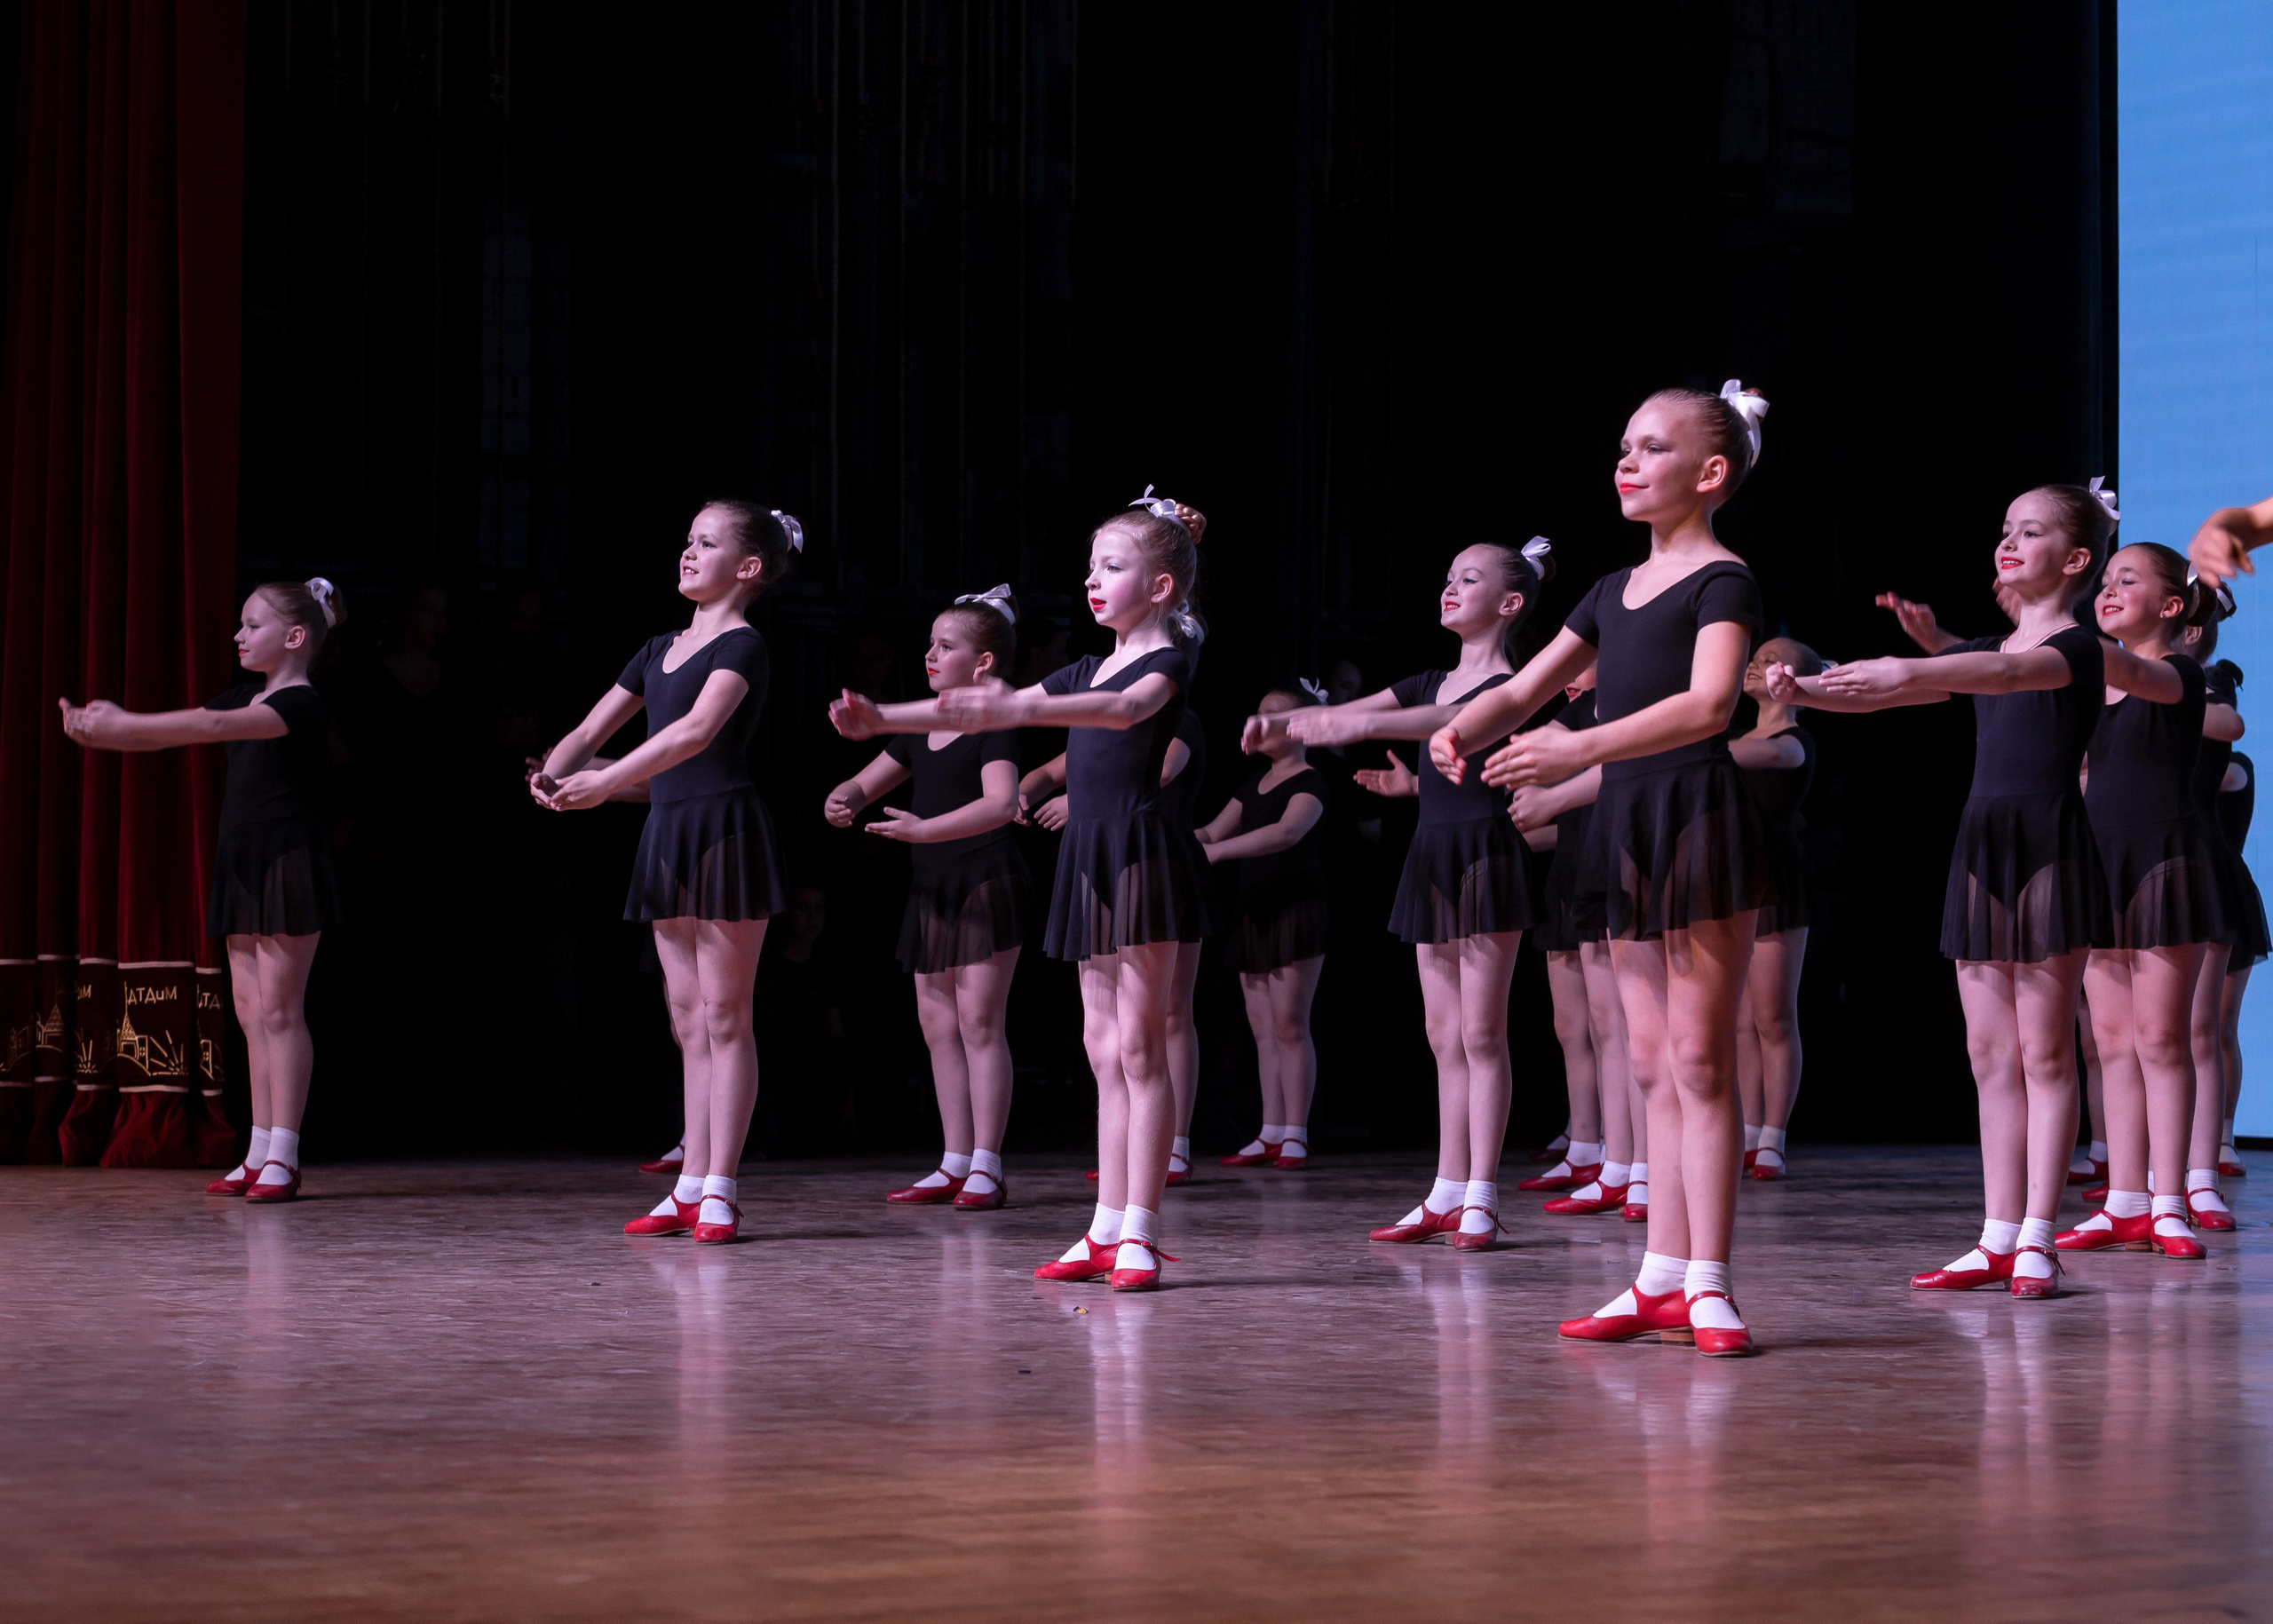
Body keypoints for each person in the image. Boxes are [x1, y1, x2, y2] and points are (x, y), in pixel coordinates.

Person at [1440, 382, 1773, 1356]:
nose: (1626, 462)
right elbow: (1532, 682)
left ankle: (1708, 1281)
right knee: (1646, 1062)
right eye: (1623, 445)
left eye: (1652, 447)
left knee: (1701, 1059)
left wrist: (1577, 751)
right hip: (1627, 824)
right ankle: (1656, 1275)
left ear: (1710, 474)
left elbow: (1711, 704)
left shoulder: (1725, 582)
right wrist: (1463, 728)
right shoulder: (1605, 590)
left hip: (1694, 816)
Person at [831, 488, 1212, 1291]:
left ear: (1162, 587)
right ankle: (1105, 1224)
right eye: (1090, 567)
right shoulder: (1082, 663)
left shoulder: (1164, 659)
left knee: (1141, 1048)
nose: (1093, 579)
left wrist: (1016, 702)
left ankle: (1140, 1228)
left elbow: (1119, 709)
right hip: (1089, 856)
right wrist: (883, 715)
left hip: (1140, 852)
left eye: (1113, 566)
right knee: (1101, 1049)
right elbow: (976, 708)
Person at [1768, 479, 2122, 1302]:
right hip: (1984, 843)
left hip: (2047, 845)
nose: (2006, 542)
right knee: (1988, 1051)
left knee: (2043, 1050)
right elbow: (1920, 689)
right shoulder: (1997, 644)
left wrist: (1903, 662)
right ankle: (1997, 1232)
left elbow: (1993, 677)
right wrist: (1812, 692)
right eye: (2004, 528)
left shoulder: (2075, 647)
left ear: (2074, 560)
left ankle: (2039, 1235)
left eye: (2028, 532)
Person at [1251, 538, 1556, 1251]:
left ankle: (1481, 1193)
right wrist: (1290, 723)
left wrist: (1352, 723)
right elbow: (1360, 709)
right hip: (1433, 853)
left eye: (1470, 578)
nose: (1450, 587)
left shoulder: (1516, 687)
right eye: (1448, 576)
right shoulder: (1426, 680)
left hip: (1485, 852)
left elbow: (1437, 726)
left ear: (1510, 604)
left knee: (1481, 1033)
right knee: (1441, 1034)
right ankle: (1447, 1188)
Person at [535, 501, 797, 1244]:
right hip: (669, 834)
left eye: (707, 543)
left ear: (747, 569)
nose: (687, 552)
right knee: (686, 1021)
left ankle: (721, 1187)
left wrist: (605, 783)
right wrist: (555, 776)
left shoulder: (742, 646)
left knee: (724, 1014)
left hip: (724, 833)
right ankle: (688, 1183)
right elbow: (590, 730)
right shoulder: (657, 649)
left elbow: (693, 732)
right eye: (687, 540)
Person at [59, 579, 347, 1204]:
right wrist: (104, 732)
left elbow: (209, 723)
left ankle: (286, 1155)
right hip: (242, 860)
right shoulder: (250, 695)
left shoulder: (301, 704)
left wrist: (124, 720)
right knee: (250, 1015)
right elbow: (185, 730)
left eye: (252, 623)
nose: (238, 635)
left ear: (295, 637)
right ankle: (258, 1147)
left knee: (279, 1010)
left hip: (286, 860)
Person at [824, 587, 1036, 1209]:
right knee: (937, 1020)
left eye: (946, 646)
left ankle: (988, 1165)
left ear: (984, 664)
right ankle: (954, 1158)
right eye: (930, 643)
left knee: (978, 1021)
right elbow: (869, 777)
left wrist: (922, 829)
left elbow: (999, 803)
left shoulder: (992, 726)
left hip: (985, 880)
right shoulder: (920, 726)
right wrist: (846, 795)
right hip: (933, 885)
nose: (930, 654)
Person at [2050, 543, 2228, 1262]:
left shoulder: (2177, 673)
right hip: (2101, 861)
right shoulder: (2097, 688)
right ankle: (2123, 1200)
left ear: (2172, 605)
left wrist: (2045, 624)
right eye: (2105, 581)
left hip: (2164, 863)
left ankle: (2169, 1199)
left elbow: (2112, 665)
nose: (2110, 589)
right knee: (2112, 1041)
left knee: (2161, 1038)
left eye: (2129, 581)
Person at [1507, 665, 1643, 1217]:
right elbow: (1529, 774)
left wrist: (1553, 797)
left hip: (1621, 865)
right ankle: (1599, 1155)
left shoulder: (1632, 698)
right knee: (1589, 1027)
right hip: (1578, 871)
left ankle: (1636, 1167)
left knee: (1628, 1030)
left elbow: (1622, 769)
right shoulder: (1576, 710)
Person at [1199, 685, 1330, 1169]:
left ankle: (1295, 1131)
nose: (1261, 722)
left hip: (1295, 911)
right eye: (1259, 713)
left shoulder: (1311, 782)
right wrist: (1171, 840)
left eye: (1274, 716)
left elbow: (1287, 832)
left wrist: (1217, 853)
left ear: (1302, 726)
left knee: (1290, 1023)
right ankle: (1270, 1129)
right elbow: (1212, 831)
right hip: (1253, 911)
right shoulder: (1251, 784)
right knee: (1261, 1028)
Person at [1730, 637, 1821, 1180]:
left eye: (1769, 659)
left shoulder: (1794, 738)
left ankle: (1774, 1137)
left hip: (1777, 880)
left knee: (1773, 1016)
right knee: (1740, 1020)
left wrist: (1684, 746)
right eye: (1754, 657)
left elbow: (1773, 755)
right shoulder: (1737, 736)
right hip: (1734, 882)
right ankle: (1746, 1130)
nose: (1754, 665)